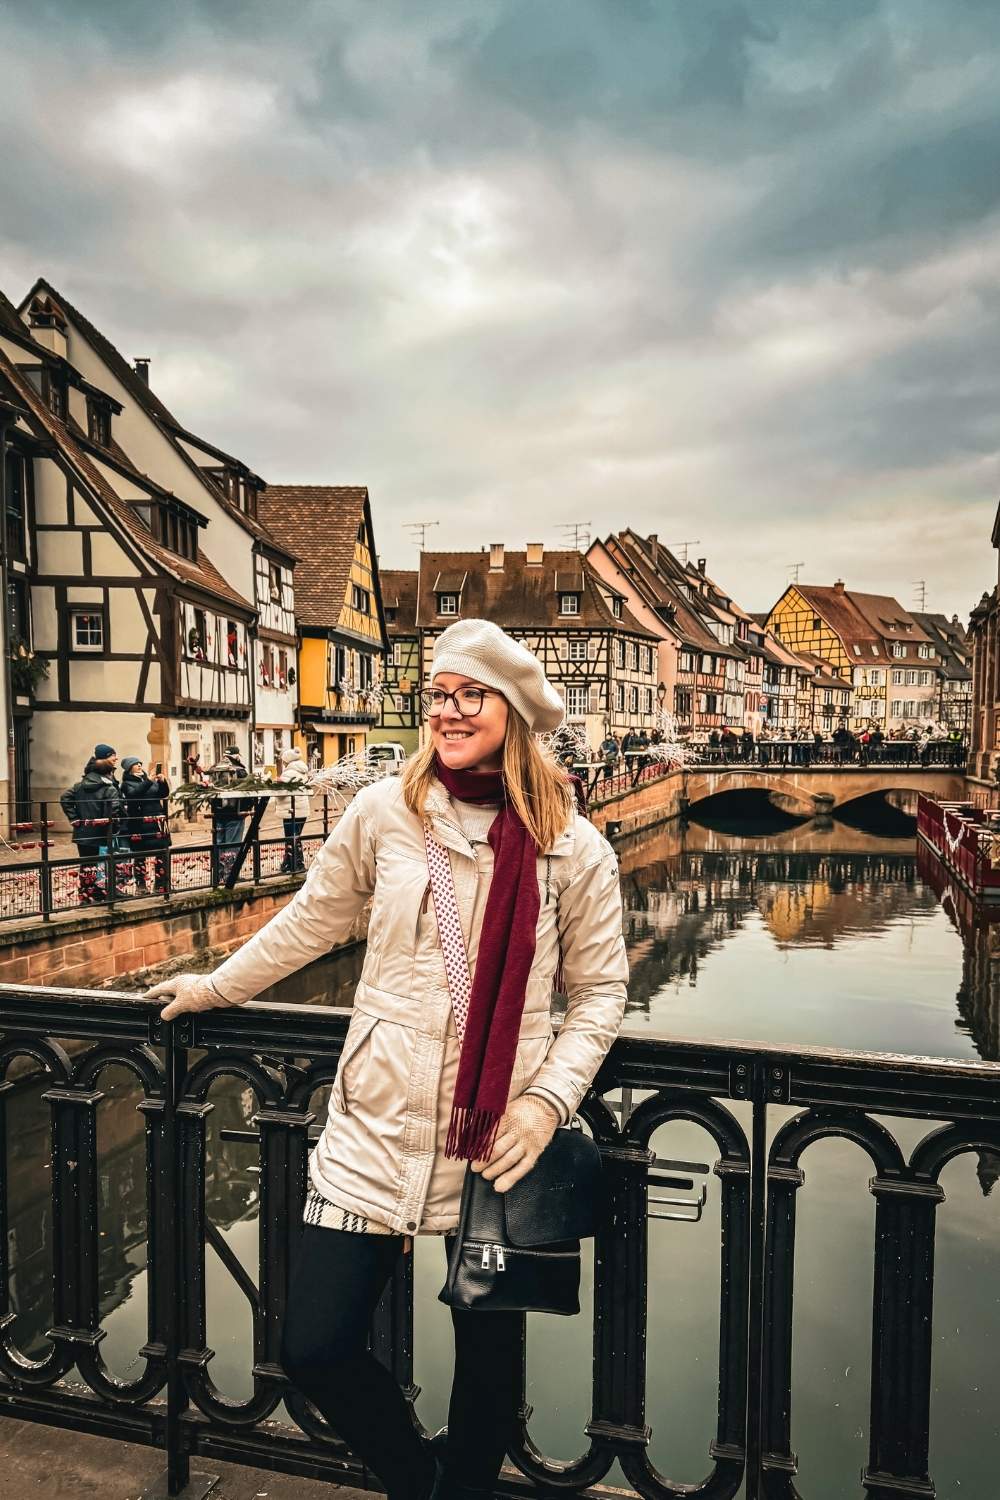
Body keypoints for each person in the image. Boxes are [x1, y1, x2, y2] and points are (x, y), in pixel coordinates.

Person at [148, 618, 629, 1500]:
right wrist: (216, 987)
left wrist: (544, 1104)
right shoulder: (384, 813)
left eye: (470, 694)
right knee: (316, 1345)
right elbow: (313, 921)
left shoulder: (574, 848)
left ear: (515, 710)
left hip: (495, 1144)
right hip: (372, 1128)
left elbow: (600, 995)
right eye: (438, 694)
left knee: (487, 1374)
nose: (447, 711)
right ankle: (422, 1482)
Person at [60, 744, 122, 904]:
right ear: (107, 772)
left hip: (83, 832)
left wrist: (74, 818)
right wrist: (108, 824)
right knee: (102, 863)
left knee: (87, 864)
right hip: (102, 832)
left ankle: (87, 895)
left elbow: (65, 798)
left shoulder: (80, 785)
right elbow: (114, 809)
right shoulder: (109, 788)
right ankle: (101, 893)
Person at [120, 756, 171, 894]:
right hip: (139, 823)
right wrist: (149, 781)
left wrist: (161, 782)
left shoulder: (148, 780)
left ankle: (161, 884)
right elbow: (134, 796)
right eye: (135, 764)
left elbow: (162, 794)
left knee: (162, 854)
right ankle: (141, 885)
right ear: (129, 768)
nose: (139, 765)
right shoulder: (126, 783)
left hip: (157, 822)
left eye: (140, 763)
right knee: (140, 855)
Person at [211, 746, 252, 881]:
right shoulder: (239, 771)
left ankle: (218, 874)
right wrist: (248, 808)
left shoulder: (216, 768)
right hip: (235, 813)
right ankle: (231, 875)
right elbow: (248, 792)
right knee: (232, 845)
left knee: (219, 844)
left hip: (218, 813)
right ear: (236, 756)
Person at [275, 745, 312, 873]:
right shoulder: (301, 771)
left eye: (284, 761)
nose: (283, 764)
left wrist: (276, 783)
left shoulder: (289, 773)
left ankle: (296, 865)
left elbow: (283, 792)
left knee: (291, 837)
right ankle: (289, 864)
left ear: (288, 761)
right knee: (295, 837)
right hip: (301, 810)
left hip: (291, 810)